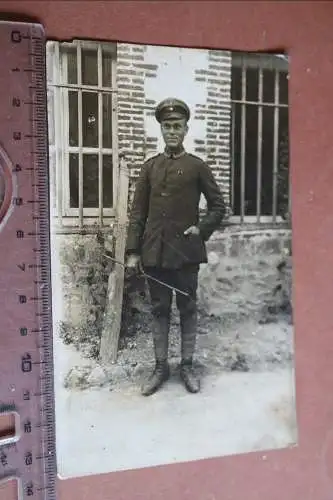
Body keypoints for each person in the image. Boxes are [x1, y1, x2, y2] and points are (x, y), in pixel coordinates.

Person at [125, 97, 226, 396]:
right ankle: (160, 367)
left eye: (177, 126)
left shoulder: (197, 167)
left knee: (188, 308)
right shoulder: (149, 169)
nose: (172, 131)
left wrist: (201, 230)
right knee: (159, 310)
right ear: (161, 129)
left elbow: (219, 207)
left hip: (185, 253)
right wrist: (133, 251)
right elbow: (137, 214)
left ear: (185, 129)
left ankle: (187, 365)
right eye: (167, 126)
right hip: (154, 253)